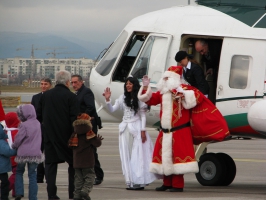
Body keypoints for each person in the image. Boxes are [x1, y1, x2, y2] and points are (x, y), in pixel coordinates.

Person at [138, 66, 199, 192]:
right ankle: (167, 183)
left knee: (177, 159)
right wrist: (145, 88)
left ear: (174, 79)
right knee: (164, 158)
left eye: (167, 77)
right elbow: (150, 99)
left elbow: (196, 98)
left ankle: (177, 185)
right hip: (165, 131)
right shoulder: (163, 93)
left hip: (179, 131)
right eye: (164, 77)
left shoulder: (184, 90)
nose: (164, 79)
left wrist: (182, 94)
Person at [103, 76, 157, 190]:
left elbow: (143, 115)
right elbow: (112, 109)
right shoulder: (122, 97)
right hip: (125, 129)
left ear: (134, 85)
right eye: (127, 83)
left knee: (137, 155)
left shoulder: (139, 98)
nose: (128, 85)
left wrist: (143, 131)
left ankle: (139, 181)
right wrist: (108, 100)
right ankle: (131, 181)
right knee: (126, 154)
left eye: (130, 83)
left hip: (136, 128)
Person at [37, 70, 79, 200]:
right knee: (72, 164)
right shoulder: (72, 97)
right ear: (67, 82)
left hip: (49, 135)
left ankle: (51, 194)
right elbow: (75, 119)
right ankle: (72, 193)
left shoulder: (45, 96)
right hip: (67, 137)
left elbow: (39, 115)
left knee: (50, 165)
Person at [71, 75, 104, 185]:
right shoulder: (78, 93)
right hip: (82, 126)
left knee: (91, 150)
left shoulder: (86, 92)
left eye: (75, 82)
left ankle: (98, 175)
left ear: (81, 82)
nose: (73, 85)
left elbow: (90, 107)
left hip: (89, 126)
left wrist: (82, 117)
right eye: (72, 83)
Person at [12, 104, 44, 200]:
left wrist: (14, 146)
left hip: (23, 153)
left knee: (19, 172)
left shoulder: (24, 125)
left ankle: (19, 192)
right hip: (35, 153)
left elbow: (18, 139)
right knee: (32, 175)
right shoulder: (38, 123)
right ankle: (33, 197)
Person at [69, 113, 103, 200]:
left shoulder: (75, 133)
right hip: (87, 161)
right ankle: (85, 191)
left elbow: (70, 145)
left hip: (77, 161)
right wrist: (98, 140)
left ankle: (76, 195)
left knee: (78, 179)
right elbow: (96, 143)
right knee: (90, 176)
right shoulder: (89, 133)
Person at [31, 77, 52, 184]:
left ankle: (49, 177)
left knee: (49, 155)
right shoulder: (35, 97)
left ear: (50, 85)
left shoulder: (53, 97)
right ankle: (39, 177)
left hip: (49, 129)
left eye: (46, 84)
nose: (43, 86)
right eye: (42, 84)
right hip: (38, 129)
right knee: (38, 154)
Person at [4, 112, 20, 198]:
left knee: (15, 173)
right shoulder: (17, 132)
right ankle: (6, 187)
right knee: (17, 174)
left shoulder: (5, 132)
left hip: (7, 156)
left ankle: (16, 192)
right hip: (16, 156)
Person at [0, 124, 17, 200]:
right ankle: (4, 197)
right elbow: (8, 152)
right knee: (5, 183)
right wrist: (15, 151)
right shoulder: (1, 143)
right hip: (2, 168)